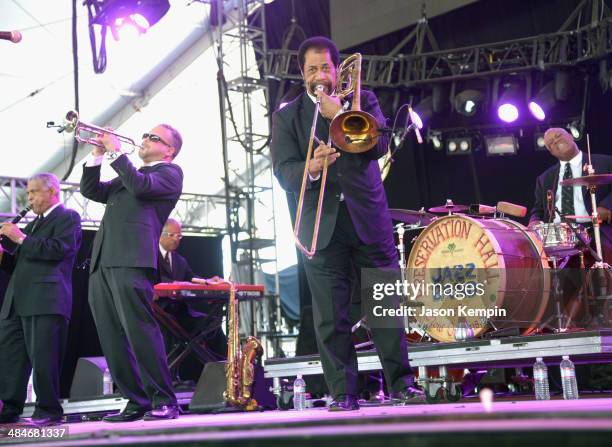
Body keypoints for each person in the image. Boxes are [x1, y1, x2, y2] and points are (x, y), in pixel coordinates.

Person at [270, 36, 421, 411]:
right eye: (311, 70)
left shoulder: (362, 100)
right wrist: (313, 167)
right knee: (329, 317)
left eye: (325, 67)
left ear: (337, 70)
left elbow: (380, 146)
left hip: (366, 217)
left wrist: (337, 115)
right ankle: (343, 392)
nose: (318, 75)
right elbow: (284, 172)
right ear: (302, 75)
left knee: (385, 308)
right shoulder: (286, 116)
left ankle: (402, 385)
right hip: (319, 226)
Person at [80, 125, 183, 422]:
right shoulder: (129, 174)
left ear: (169, 150)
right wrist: (97, 154)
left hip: (131, 258)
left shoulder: (169, 173)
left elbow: (141, 187)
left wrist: (114, 151)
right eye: (145, 135)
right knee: (111, 335)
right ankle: (136, 401)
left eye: (154, 137)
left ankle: (164, 399)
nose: (145, 139)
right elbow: (92, 190)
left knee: (140, 330)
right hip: (103, 260)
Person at [0, 173, 82, 426]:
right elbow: (23, 263)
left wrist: (20, 238)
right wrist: (5, 255)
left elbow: (59, 250)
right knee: (12, 356)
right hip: (18, 299)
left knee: (44, 357)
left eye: (34, 192)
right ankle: (9, 406)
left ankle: (48, 410)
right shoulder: (35, 223)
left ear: (52, 192)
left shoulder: (68, 217)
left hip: (46, 298)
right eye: (28, 194)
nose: (30, 198)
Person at [529, 127, 612, 263]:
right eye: (550, 143)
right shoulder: (544, 178)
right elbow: (538, 209)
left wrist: (607, 207)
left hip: (594, 230)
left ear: (571, 136)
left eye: (558, 136)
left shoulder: (605, 162)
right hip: (558, 238)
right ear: (550, 151)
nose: (555, 141)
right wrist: (534, 221)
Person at [156, 218, 226, 372]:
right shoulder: (149, 257)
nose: (176, 239)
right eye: (172, 235)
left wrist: (208, 282)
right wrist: (175, 284)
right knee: (166, 333)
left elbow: (190, 277)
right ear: (160, 235)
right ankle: (169, 379)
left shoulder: (179, 260)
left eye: (179, 236)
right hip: (158, 313)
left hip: (181, 313)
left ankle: (223, 370)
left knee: (212, 324)